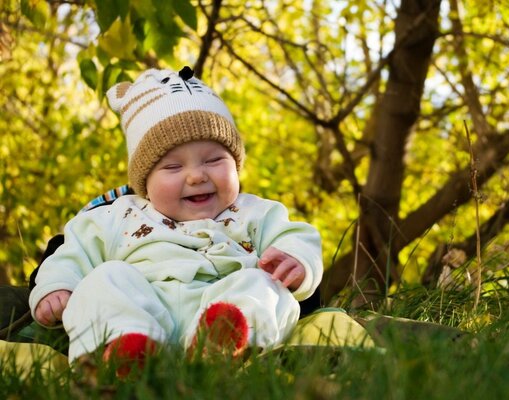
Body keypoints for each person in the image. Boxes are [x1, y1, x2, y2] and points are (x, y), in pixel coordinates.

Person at [29, 66, 323, 370]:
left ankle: (223, 344)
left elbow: (296, 236)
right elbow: (72, 254)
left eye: (214, 160)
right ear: (145, 181)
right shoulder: (117, 215)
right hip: (143, 307)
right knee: (105, 279)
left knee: (264, 285)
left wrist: (297, 260)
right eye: (172, 167)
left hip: (222, 303)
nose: (197, 175)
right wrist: (57, 287)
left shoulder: (257, 212)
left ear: (236, 165)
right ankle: (127, 349)